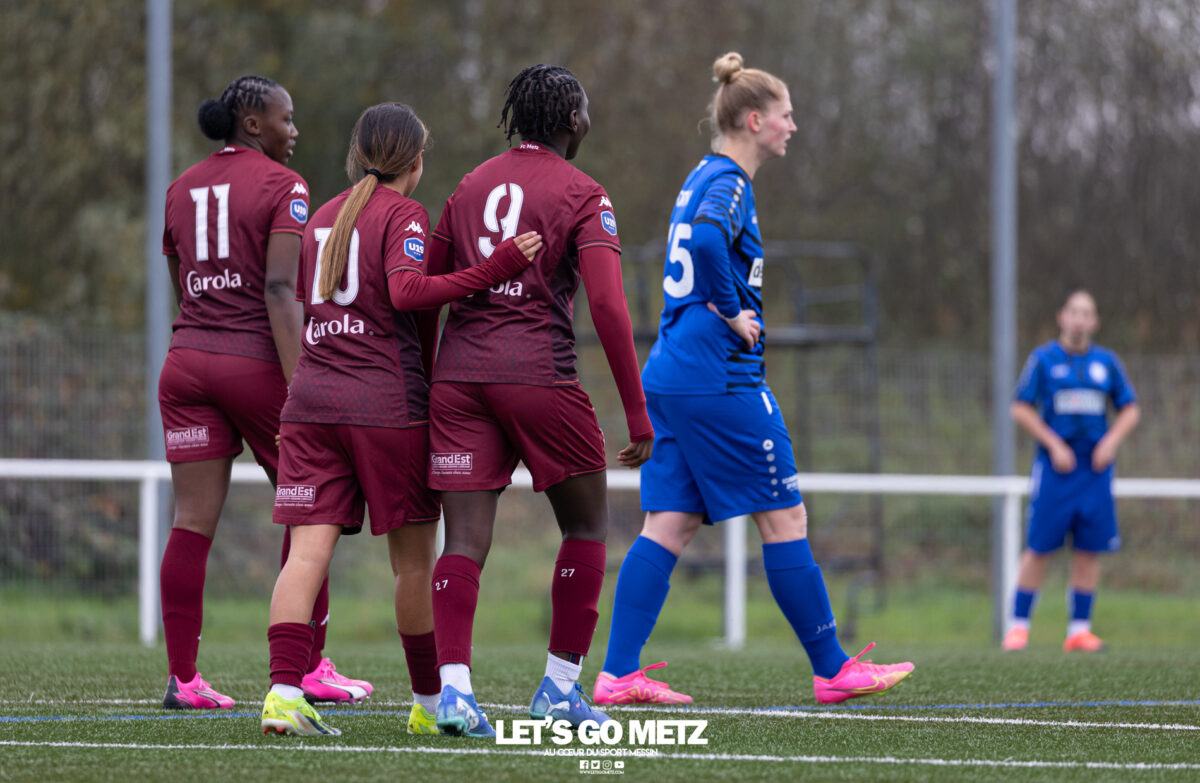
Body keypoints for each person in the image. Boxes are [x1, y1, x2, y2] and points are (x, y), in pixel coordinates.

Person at [594, 52, 913, 707]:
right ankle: (832, 667)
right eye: (788, 115)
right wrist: (734, 309)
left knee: (671, 524)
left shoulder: (703, 175)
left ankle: (617, 673)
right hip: (718, 376)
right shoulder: (731, 183)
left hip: (674, 372)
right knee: (785, 512)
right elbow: (710, 241)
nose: (794, 126)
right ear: (754, 119)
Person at [258, 102, 540, 737]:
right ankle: (428, 703)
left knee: (306, 555)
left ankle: (281, 693)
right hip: (384, 407)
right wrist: (495, 269)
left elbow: (309, 311)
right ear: (415, 161)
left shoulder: (321, 216)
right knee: (413, 564)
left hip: (310, 402)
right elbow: (408, 292)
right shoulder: (406, 214)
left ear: (359, 156)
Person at [425, 64, 654, 738]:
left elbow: (432, 285)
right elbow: (609, 305)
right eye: (582, 111)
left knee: (463, 536)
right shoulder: (583, 191)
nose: (588, 121)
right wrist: (637, 413)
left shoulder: (468, 184)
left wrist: (426, 380)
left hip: (459, 378)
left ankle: (457, 693)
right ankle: (557, 686)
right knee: (585, 526)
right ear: (564, 120)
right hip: (538, 373)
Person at [158, 75, 368, 709]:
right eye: (286, 118)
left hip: (186, 360)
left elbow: (182, 277)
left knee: (190, 521)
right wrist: (308, 379)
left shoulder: (180, 187)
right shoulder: (285, 186)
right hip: (255, 364)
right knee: (314, 506)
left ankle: (183, 680)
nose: (294, 130)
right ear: (253, 123)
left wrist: (205, 332)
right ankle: (306, 667)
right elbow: (281, 290)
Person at [1002, 289, 1139, 653]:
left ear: (1094, 322)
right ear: (1062, 316)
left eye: (1087, 313)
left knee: (1089, 549)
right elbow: (1021, 407)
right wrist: (1053, 443)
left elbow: (1130, 409)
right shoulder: (1044, 360)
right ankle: (1018, 628)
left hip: (1094, 471)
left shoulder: (1106, 363)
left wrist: (1110, 442)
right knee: (1039, 546)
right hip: (1056, 469)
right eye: (1074, 312)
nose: (1080, 319)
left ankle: (1079, 630)